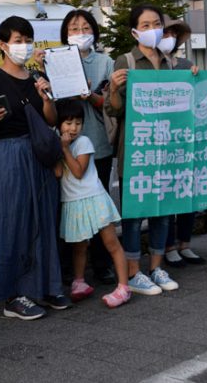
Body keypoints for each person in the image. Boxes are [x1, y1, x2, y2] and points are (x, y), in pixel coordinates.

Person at [0, 16, 66, 320]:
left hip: (39, 153)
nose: (24, 46)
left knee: (43, 221)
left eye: (28, 39)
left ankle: (44, 287)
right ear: (2, 45)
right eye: (17, 40)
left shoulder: (37, 76)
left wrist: (46, 96)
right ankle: (13, 295)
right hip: (8, 155)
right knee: (12, 222)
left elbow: (51, 119)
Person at [105, 4, 180, 295]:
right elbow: (115, 109)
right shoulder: (125, 62)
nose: (153, 29)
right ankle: (134, 272)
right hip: (136, 149)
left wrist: (195, 73)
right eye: (146, 25)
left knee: (163, 210)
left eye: (156, 23)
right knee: (135, 214)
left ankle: (157, 267)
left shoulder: (172, 62)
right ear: (134, 31)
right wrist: (112, 89)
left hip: (167, 147)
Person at [51, 9, 116, 284]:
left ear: (95, 32)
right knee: (67, 207)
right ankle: (68, 268)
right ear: (65, 34)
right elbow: (50, 104)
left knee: (99, 207)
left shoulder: (105, 62)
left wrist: (90, 96)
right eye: (74, 28)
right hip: (65, 144)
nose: (80, 33)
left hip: (97, 144)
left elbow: (111, 105)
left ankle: (102, 265)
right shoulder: (55, 59)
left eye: (85, 27)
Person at [54, 99, 131, 308]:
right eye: (68, 123)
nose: (73, 128)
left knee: (111, 243)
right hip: (72, 202)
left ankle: (124, 287)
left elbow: (78, 172)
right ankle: (79, 283)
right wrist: (58, 149)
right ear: (59, 123)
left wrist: (65, 149)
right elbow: (58, 172)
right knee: (79, 247)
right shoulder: (59, 143)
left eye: (78, 123)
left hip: (94, 199)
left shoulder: (84, 142)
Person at [158, 16, 206, 268]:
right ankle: (168, 246)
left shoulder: (187, 64)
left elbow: (203, 95)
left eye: (172, 34)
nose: (168, 39)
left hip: (186, 137)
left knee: (188, 191)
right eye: (163, 34)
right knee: (167, 193)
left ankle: (185, 243)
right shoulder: (151, 67)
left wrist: (197, 77)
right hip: (161, 138)